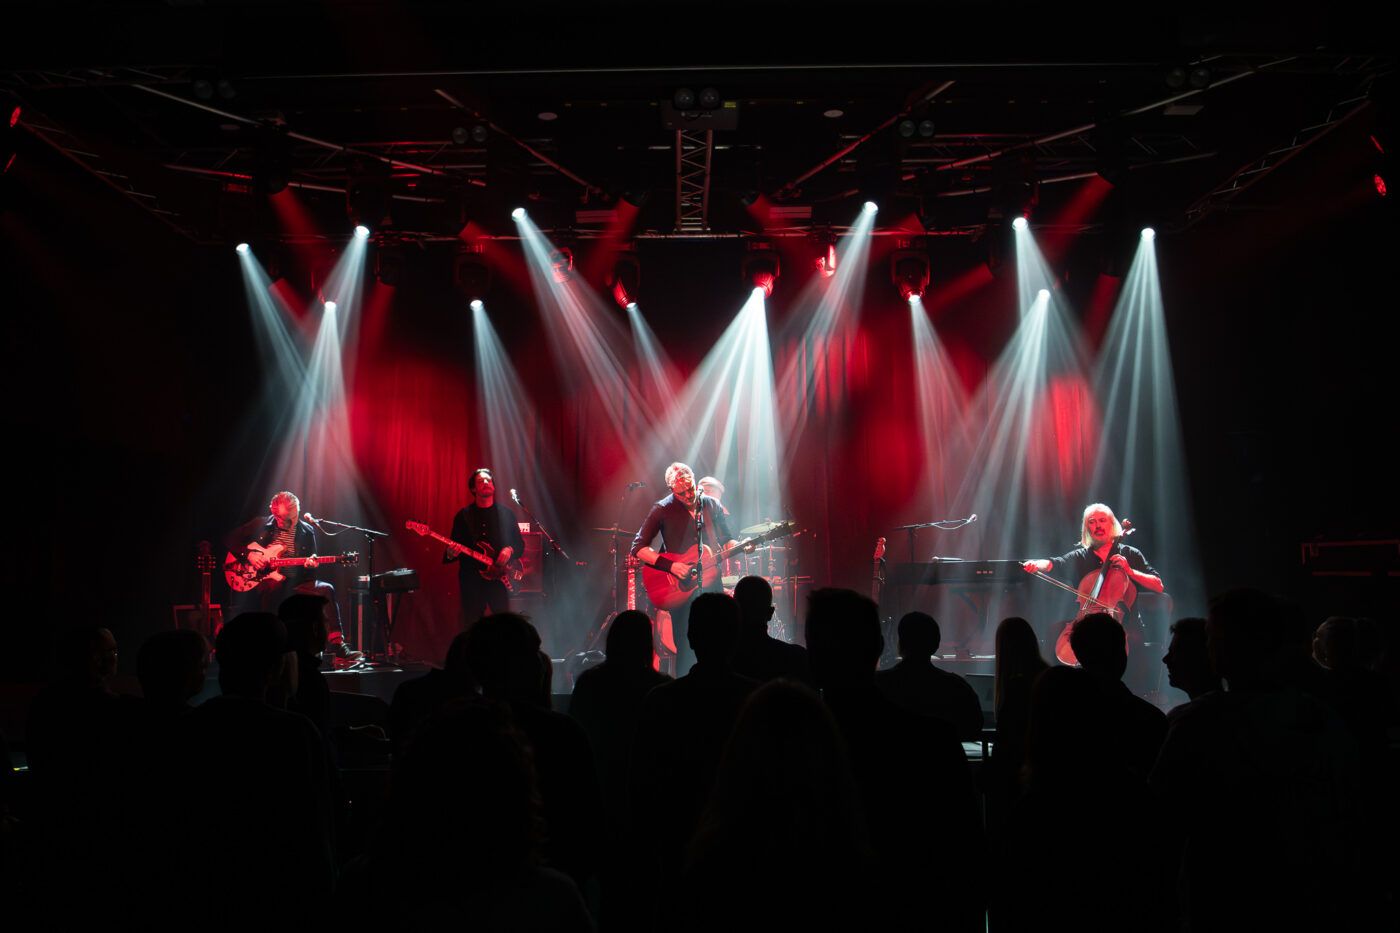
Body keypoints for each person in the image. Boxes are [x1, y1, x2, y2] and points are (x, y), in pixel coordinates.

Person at [226, 490, 360, 661]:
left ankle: (337, 644)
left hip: (297, 582)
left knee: (327, 589)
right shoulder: (261, 524)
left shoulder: (307, 530)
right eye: (285, 519)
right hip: (265, 581)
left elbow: (311, 565)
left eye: (294, 517)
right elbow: (229, 539)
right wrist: (248, 554)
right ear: (274, 514)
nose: (291, 522)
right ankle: (270, 651)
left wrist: (311, 564)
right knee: (271, 591)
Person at [1021, 502, 1163, 662]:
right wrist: (1035, 564)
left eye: (1102, 520)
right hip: (1087, 628)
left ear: (1112, 524)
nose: (1098, 526)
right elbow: (1053, 563)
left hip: (1126, 629)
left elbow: (1158, 585)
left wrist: (1129, 571)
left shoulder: (1130, 554)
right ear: (1087, 528)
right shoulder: (1080, 556)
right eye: (1092, 522)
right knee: (1056, 636)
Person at [631, 462, 737, 674]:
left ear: (694, 480)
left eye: (691, 488)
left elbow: (727, 539)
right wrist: (672, 566)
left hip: (712, 584)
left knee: (719, 641)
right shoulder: (662, 509)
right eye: (682, 493)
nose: (689, 495)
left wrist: (737, 546)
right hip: (680, 588)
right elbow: (638, 548)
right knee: (686, 645)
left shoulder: (711, 504)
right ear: (672, 490)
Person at [446, 467, 525, 630]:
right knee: (472, 626)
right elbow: (454, 547)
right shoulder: (463, 516)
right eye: (481, 481)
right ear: (473, 489)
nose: (486, 483)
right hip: (472, 580)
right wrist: (450, 553)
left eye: (489, 480)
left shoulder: (507, 514)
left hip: (499, 578)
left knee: (504, 625)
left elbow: (520, 545)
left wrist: (509, 550)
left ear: (494, 487)